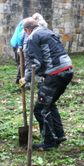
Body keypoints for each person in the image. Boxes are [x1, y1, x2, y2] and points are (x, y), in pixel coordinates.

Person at [20, 17, 73, 151]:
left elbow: (36, 63)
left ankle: (49, 141)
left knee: (40, 109)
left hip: (56, 74)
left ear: (27, 30)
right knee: (50, 104)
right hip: (67, 70)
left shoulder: (32, 37)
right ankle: (59, 135)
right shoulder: (48, 32)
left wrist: (26, 78)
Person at [10, 12, 46, 84]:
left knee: (25, 63)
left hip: (21, 44)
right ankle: (21, 80)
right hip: (17, 44)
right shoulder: (27, 24)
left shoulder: (31, 23)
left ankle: (24, 80)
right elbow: (21, 37)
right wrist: (20, 47)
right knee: (23, 63)